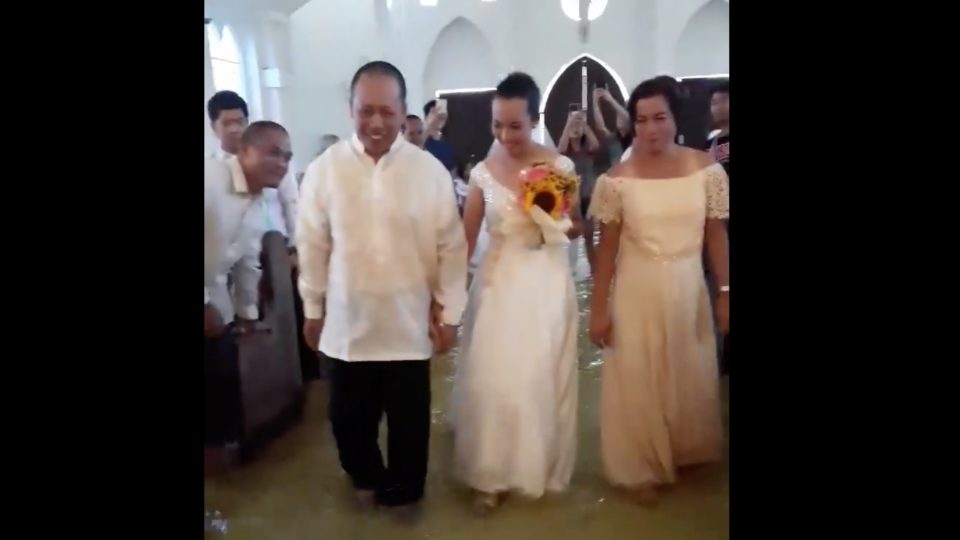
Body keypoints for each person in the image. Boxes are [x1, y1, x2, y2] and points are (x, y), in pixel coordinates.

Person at [296, 61, 468, 520]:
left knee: (410, 428)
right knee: (347, 424)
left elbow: (451, 247)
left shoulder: (427, 171)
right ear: (350, 109)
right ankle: (367, 479)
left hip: (409, 322)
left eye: (386, 112)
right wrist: (312, 308)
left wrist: (450, 314)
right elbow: (313, 245)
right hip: (346, 325)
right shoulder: (325, 171)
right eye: (364, 110)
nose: (375, 122)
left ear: (403, 111)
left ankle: (407, 500)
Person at [588, 76, 729, 505]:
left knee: (688, 368)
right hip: (637, 287)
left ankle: (682, 449)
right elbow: (606, 250)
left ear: (675, 119)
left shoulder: (706, 170)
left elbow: (717, 237)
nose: (650, 129)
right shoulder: (616, 180)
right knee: (639, 376)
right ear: (632, 125)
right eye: (642, 120)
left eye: (659, 118)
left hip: (688, 284)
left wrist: (725, 291)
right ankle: (641, 465)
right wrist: (598, 310)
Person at [453, 72, 582, 515]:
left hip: (545, 282)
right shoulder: (483, 174)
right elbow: (465, 239)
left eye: (515, 125)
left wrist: (552, 214)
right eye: (497, 125)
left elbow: (576, 228)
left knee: (535, 379)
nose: (505, 135)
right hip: (498, 285)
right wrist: (446, 297)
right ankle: (489, 474)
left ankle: (533, 465)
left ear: (533, 120)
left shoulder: (558, 167)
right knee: (493, 377)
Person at [204, 121, 293, 448]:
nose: (282, 164)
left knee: (220, 395)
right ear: (244, 150)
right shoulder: (210, 180)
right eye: (273, 153)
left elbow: (248, 263)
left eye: (287, 157)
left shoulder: (258, 201)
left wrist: (247, 313)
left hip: (216, 309)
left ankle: (222, 479)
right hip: (207, 305)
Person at [207, 91, 300, 246]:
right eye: (227, 123)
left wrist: (294, 246)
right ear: (214, 127)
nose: (235, 129)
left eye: (240, 122)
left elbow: (291, 204)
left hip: (277, 246)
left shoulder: (276, 162)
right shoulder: (212, 174)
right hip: (235, 252)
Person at [558, 107, 600, 275]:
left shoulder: (587, 149)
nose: (575, 129)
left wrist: (583, 123)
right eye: (572, 127)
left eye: (578, 127)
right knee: (570, 237)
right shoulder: (565, 153)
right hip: (570, 199)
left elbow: (596, 143)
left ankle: (595, 274)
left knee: (589, 238)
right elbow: (559, 150)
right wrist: (569, 123)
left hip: (587, 196)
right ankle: (569, 272)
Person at [423, 99, 456, 172]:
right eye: (435, 112)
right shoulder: (421, 138)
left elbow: (453, 169)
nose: (441, 117)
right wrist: (430, 123)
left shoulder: (449, 139)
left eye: (444, 115)